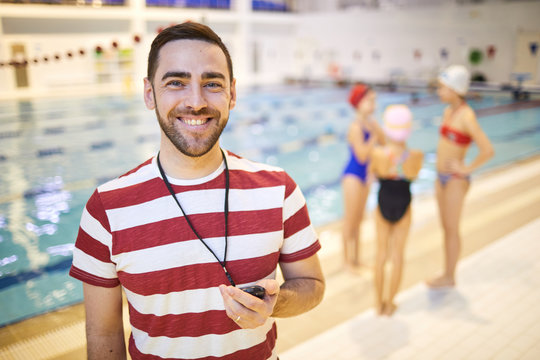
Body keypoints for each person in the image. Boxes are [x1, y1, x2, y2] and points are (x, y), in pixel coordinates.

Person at [69, 22, 325, 360]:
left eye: (212, 83)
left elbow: (313, 285)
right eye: (176, 82)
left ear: (232, 94)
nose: (196, 101)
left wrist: (276, 302)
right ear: (149, 93)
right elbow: (103, 335)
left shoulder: (278, 189)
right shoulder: (107, 209)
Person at [427, 65, 494, 288]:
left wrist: (466, 169)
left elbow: (487, 150)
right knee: (446, 228)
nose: (439, 91)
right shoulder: (448, 112)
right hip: (441, 178)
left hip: (455, 180)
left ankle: (450, 276)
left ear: (455, 89)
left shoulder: (467, 116)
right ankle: (447, 273)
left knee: (452, 229)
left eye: (443, 87)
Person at [371, 105, 423, 316]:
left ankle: (378, 303)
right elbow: (414, 176)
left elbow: (375, 174)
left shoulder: (378, 153)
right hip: (404, 202)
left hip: (384, 200)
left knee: (381, 255)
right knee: (398, 255)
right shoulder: (415, 156)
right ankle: (390, 302)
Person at [342, 84, 385, 271]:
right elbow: (361, 155)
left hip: (365, 177)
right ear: (359, 103)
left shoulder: (371, 124)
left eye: (375, 100)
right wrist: (374, 137)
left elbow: (385, 143)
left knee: (359, 219)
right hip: (352, 176)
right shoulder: (355, 127)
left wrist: (376, 132)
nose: (374, 104)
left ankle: (357, 259)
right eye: (370, 100)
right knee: (350, 220)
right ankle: (346, 262)